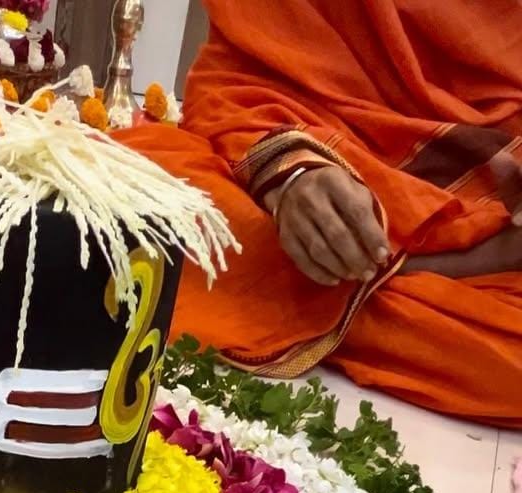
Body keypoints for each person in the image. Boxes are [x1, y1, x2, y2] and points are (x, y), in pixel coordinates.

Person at [119, 0, 522, 427]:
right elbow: (230, 80)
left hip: (491, 217)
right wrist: (287, 171)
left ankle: (311, 290)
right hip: (305, 149)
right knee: (134, 187)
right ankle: (363, 289)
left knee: (163, 256)